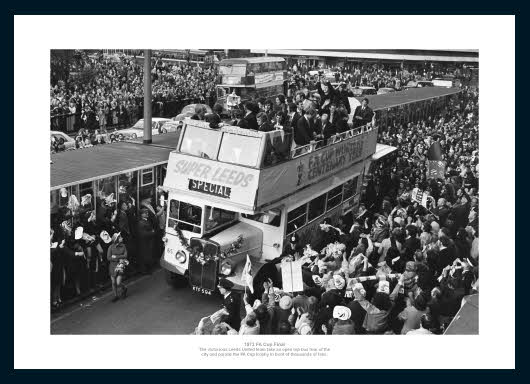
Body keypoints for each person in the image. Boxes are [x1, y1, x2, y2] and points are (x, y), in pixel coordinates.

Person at [107, 232, 128, 302]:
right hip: (112, 266)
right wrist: (119, 258)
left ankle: (124, 288)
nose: (122, 238)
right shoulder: (111, 247)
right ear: (116, 239)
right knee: (113, 282)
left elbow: (125, 255)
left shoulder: (123, 246)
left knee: (118, 282)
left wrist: (116, 256)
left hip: (120, 265)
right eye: (120, 237)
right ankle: (115, 296)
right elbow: (108, 257)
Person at [136, 208, 155, 274]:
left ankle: (147, 269)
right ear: (141, 215)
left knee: (148, 255)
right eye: (145, 213)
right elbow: (142, 233)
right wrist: (152, 232)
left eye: (147, 212)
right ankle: (144, 270)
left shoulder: (147, 221)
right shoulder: (141, 223)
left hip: (148, 242)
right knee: (144, 256)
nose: (147, 214)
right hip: (144, 242)